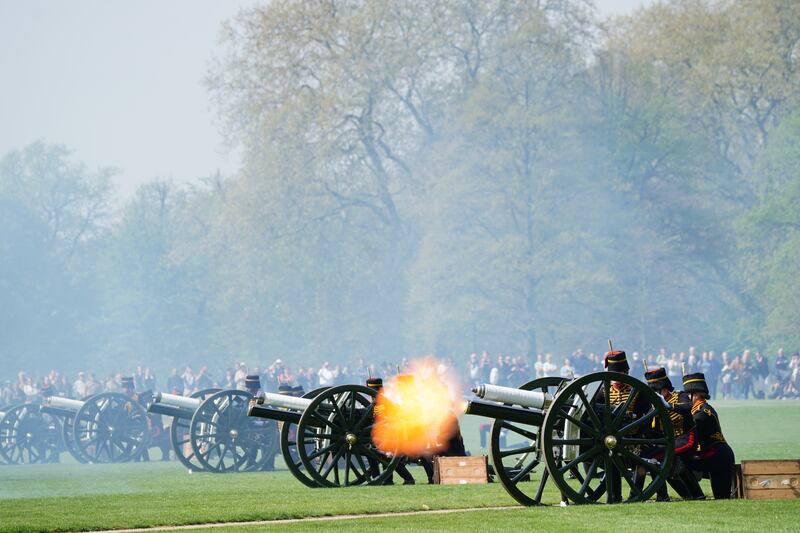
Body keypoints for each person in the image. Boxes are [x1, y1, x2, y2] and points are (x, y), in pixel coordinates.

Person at [643, 367, 705, 500]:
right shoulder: (654, 405)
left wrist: (670, 406)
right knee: (651, 459)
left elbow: (689, 407)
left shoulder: (679, 396)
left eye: (657, 391)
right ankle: (666, 495)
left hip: (686, 438)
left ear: (664, 388)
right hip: (671, 441)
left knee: (662, 457)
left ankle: (693, 494)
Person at [682, 372, 735, 499]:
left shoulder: (702, 412)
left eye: (688, 394)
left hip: (717, 455)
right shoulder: (699, 410)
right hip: (713, 454)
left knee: (722, 497)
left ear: (696, 395)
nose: (687, 398)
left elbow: (692, 432)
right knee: (721, 497)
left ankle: (696, 496)